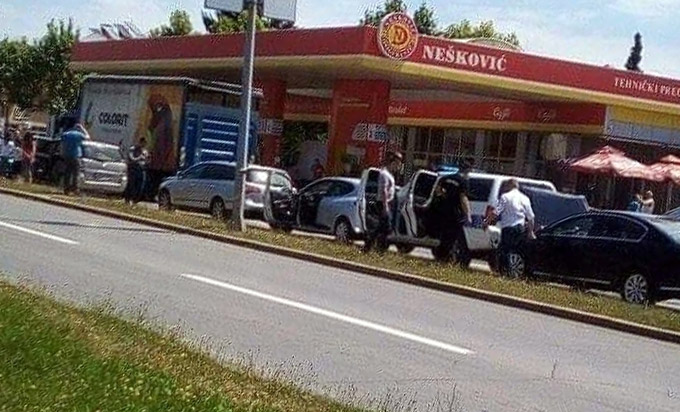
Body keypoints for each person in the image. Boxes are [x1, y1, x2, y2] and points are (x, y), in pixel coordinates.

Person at [493, 179, 535, 276]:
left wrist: (486, 221)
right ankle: (514, 272)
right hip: (520, 228)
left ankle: (505, 272)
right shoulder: (525, 198)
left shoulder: (505, 197)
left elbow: (496, 212)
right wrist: (530, 232)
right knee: (516, 250)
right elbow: (531, 217)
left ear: (509, 186)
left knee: (505, 250)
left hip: (508, 228)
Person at [363, 151, 403, 254]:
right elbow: (384, 190)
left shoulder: (390, 174)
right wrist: (385, 207)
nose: (399, 166)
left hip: (388, 203)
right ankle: (378, 249)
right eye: (398, 163)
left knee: (382, 227)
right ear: (393, 162)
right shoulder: (384, 174)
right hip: (383, 203)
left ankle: (370, 247)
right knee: (386, 227)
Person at [61, 123, 89, 195]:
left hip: (67, 155)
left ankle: (66, 189)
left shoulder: (66, 134)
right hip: (76, 156)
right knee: (76, 173)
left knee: (67, 173)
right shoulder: (79, 135)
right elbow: (88, 137)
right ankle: (75, 189)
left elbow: (62, 142)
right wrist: (83, 129)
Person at [124, 138, 149, 204]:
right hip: (133, 169)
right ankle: (127, 199)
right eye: (142, 143)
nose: (143, 145)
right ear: (140, 142)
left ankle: (135, 200)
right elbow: (131, 158)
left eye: (145, 144)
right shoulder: (133, 149)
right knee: (131, 185)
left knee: (140, 186)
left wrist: (147, 160)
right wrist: (139, 158)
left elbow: (146, 160)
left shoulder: (144, 151)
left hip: (141, 170)